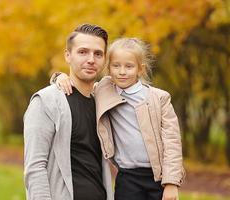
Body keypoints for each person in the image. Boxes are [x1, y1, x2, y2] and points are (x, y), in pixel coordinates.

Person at [53, 38, 185, 200]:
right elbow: (80, 86)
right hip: (127, 177)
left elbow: (172, 143)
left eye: (129, 66)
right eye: (116, 66)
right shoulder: (104, 90)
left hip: (158, 178)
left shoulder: (159, 98)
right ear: (109, 68)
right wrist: (59, 77)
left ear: (140, 69)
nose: (122, 72)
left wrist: (171, 183)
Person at [23, 24, 113, 200]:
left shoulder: (103, 102)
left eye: (98, 54)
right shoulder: (46, 101)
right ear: (68, 55)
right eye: (82, 52)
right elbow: (35, 167)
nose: (91, 59)